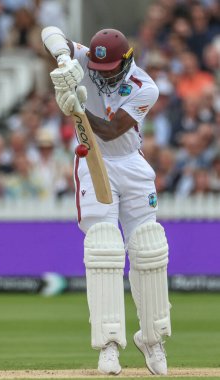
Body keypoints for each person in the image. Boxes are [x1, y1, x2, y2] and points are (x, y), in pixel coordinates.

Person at [41, 26, 171, 376]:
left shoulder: (145, 87)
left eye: (111, 68)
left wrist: (77, 108)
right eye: (98, 70)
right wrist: (64, 58)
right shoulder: (88, 59)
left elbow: (114, 129)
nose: (103, 74)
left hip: (130, 162)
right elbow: (50, 32)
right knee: (105, 247)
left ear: (126, 61)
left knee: (148, 247)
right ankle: (109, 346)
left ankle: (153, 338)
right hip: (92, 160)